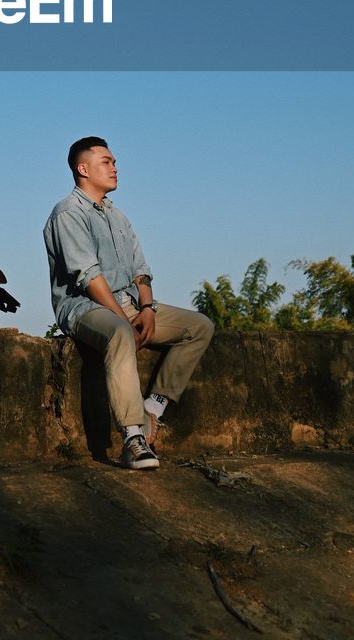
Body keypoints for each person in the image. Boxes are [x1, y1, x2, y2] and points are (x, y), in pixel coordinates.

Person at [43, 136, 214, 470]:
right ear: (83, 168)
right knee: (120, 332)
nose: (115, 167)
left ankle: (153, 408)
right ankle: (133, 439)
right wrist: (125, 317)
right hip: (83, 308)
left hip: (129, 304)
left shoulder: (117, 216)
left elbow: (141, 270)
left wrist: (147, 309)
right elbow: (89, 278)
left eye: (115, 162)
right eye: (106, 161)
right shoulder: (67, 213)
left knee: (199, 326)